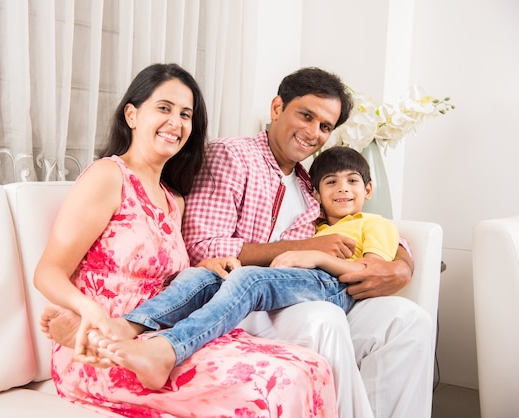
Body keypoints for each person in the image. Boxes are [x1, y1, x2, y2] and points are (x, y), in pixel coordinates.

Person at [33, 63, 338, 417]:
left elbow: (164, 283)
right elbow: (48, 272)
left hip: (161, 330)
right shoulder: (108, 176)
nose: (175, 123)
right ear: (132, 114)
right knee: (274, 384)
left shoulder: (172, 199)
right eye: (164, 108)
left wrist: (204, 266)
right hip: (105, 346)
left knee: (310, 366)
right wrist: (88, 311)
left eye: (185, 114)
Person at [179, 67, 435, 418]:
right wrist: (305, 251)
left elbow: (367, 227)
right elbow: (202, 245)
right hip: (243, 303)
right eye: (306, 115)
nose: (314, 132)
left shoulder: (309, 183)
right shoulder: (231, 156)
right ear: (276, 108)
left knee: (409, 320)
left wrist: (400, 267)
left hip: (303, 298)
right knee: (323, 319)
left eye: (325, 126)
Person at [87, 146, 400, 393]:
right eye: (331, 182)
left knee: (250, 279)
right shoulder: (311, 222)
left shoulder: (374, 223)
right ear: (315, 195)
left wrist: (315, 256)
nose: (342, 189)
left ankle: (168, 350)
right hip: (301, 281)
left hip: (335, 285)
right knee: (204, 275)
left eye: (352, 181)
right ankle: (130, 324)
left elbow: (367, 270)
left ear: (368, 189)